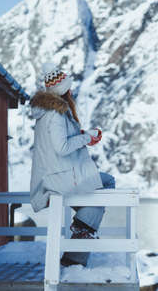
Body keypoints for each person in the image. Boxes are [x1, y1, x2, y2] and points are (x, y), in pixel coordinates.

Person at [29, 62, 116, 267]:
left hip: (56, 174)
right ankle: (82, 231)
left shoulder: (47, 112)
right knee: (106, 183)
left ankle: (77, 247)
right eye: (69, 85)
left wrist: (84, 135)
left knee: (97, 192)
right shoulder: (57, 113)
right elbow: (62, 147)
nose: (72, 88)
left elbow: (60, 143)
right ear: (63, 89)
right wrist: (86, 138)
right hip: (59, 178)